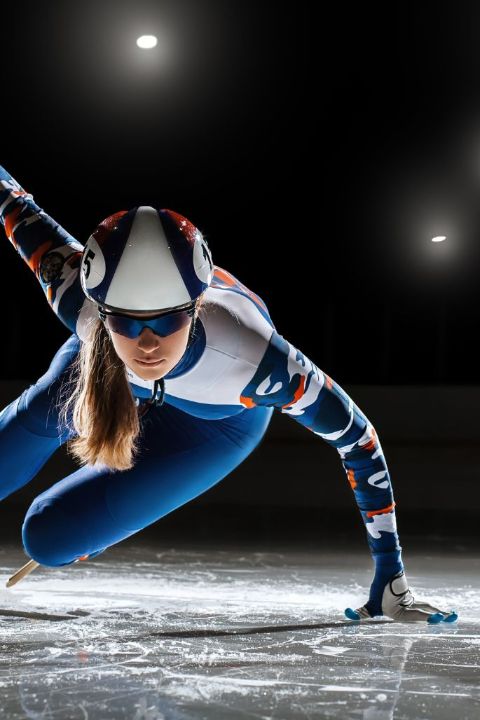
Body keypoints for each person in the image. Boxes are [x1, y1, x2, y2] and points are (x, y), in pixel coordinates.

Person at [0, 164, 457, 624]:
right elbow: (13, 199)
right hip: (100, 365)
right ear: (100, 309)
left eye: (167, 320)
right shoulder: (77, 300)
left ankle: (80, 529)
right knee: (35, 418)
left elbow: (358, 440)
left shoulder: (254, 362)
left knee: (48, 536)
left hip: (217, 423)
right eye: (125, 322)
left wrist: (391, 577)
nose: (147, 344)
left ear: (196, 306)